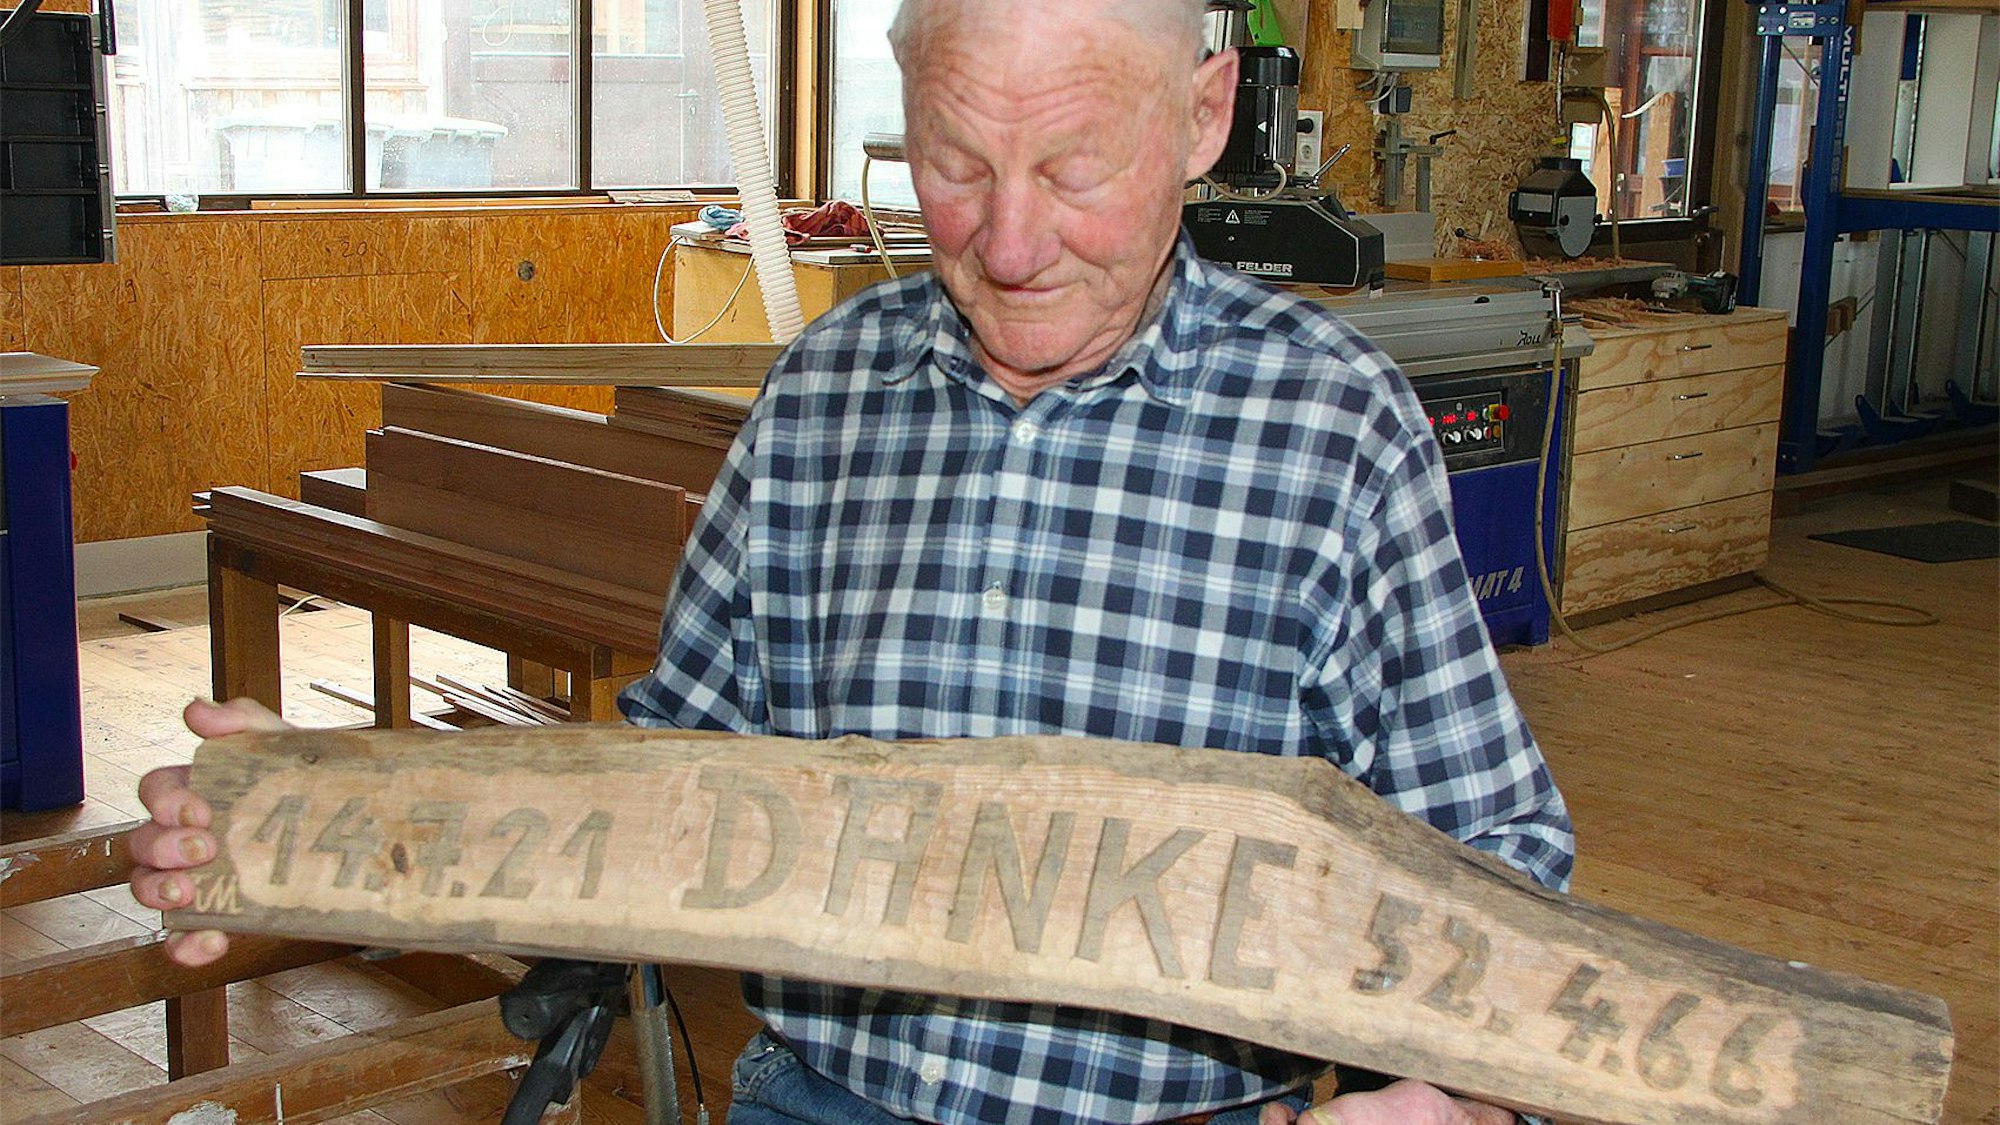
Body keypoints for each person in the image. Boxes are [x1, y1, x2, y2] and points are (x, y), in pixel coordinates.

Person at [130, 1, 1571, 1122]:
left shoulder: (1330, 427)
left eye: (1075, 170)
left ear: (1202, 116)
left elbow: (1498, 856)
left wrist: (1454, 1088)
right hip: (820, 1097)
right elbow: (657, 786)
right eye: (955, 164)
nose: (1009, 244)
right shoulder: (823, 397)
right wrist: (324, 825)